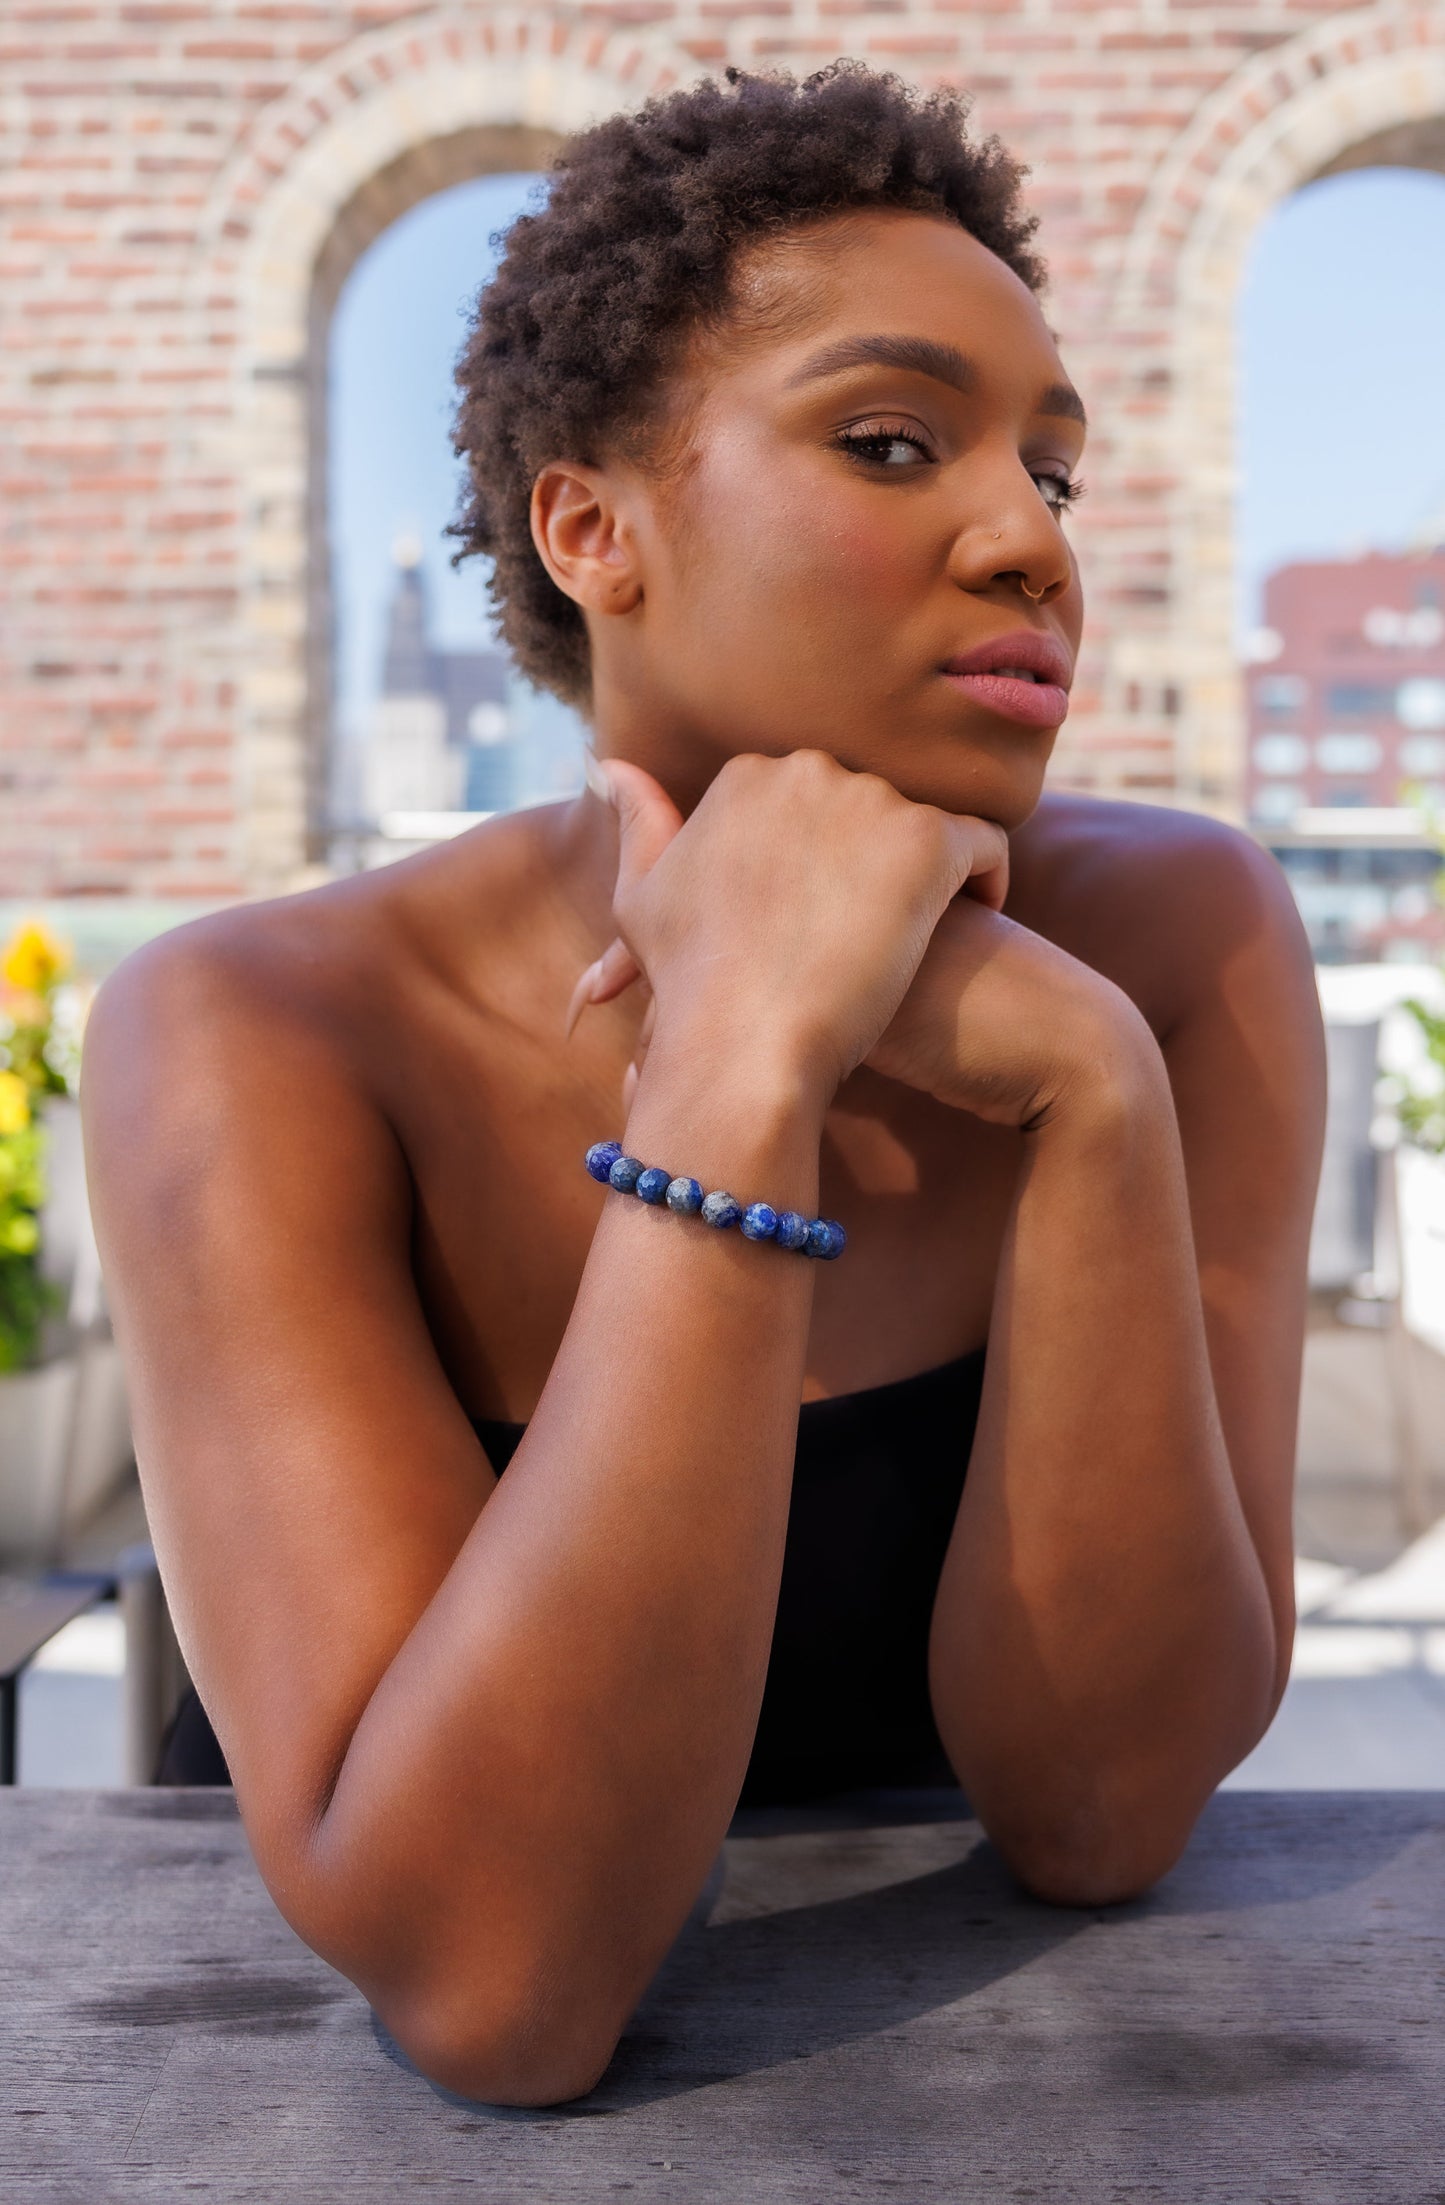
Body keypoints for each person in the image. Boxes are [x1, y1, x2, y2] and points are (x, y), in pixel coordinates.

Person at [81, 63, 1324, 2107]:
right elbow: (500, 1983)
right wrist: (741, 1060)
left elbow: (1104, 1811)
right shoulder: (260, 1029)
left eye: (1054, 472)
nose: (1027, 538)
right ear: (593, 526)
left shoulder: (1175, 951)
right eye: (894, 440)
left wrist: (1095, 1085)